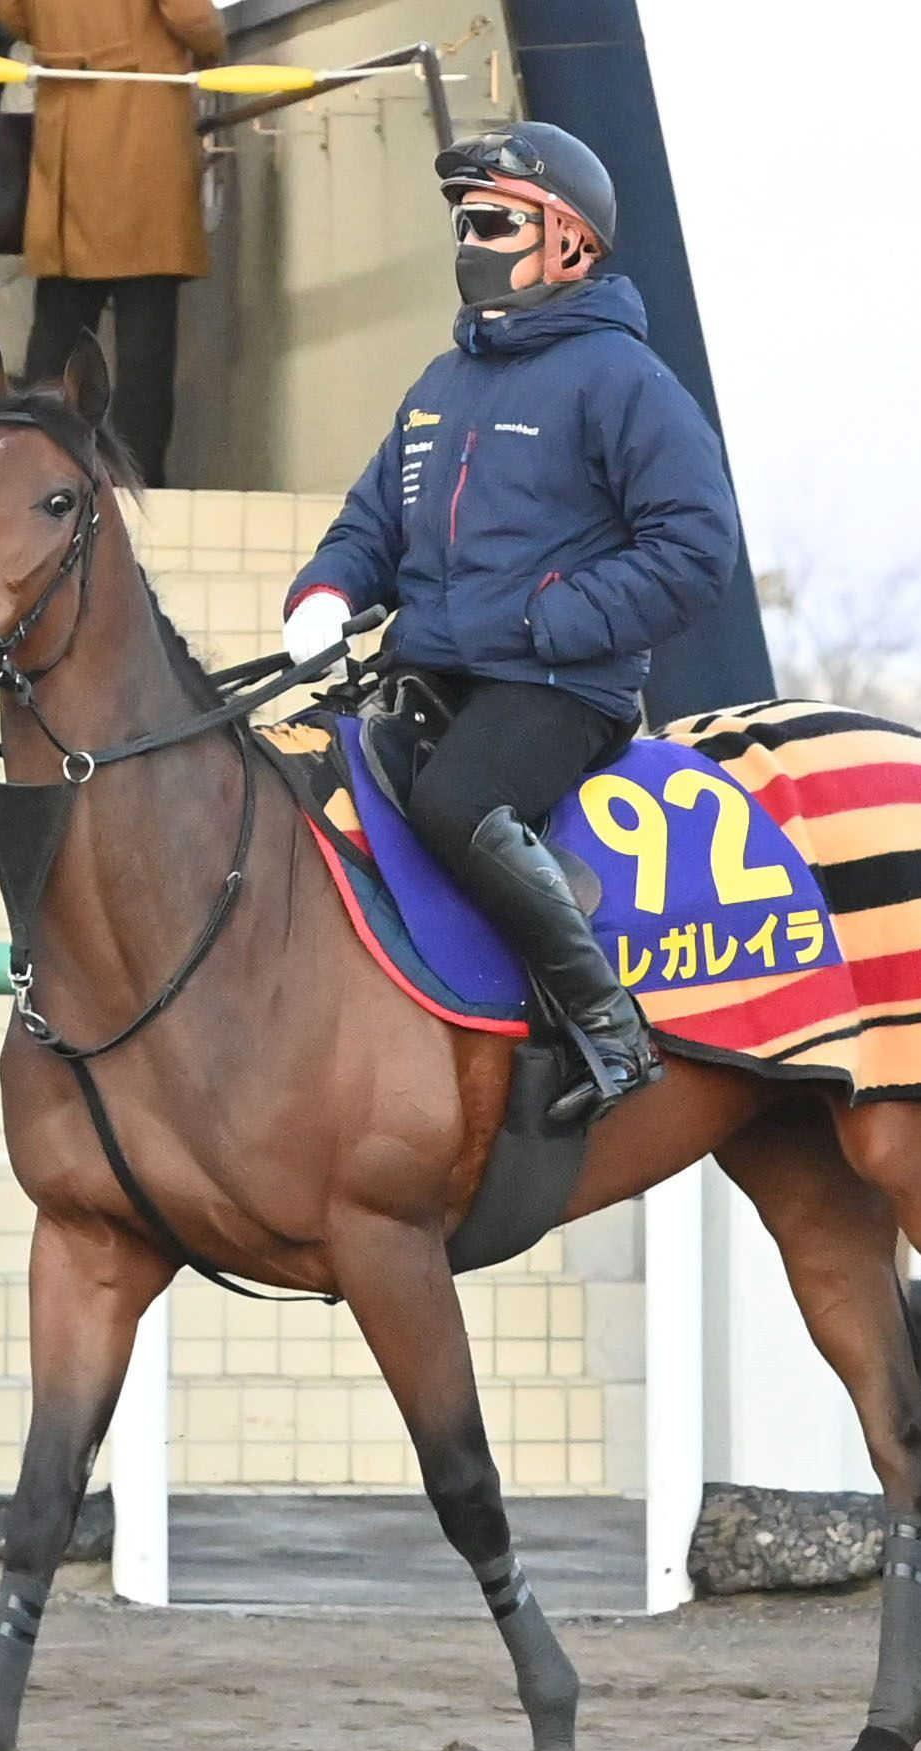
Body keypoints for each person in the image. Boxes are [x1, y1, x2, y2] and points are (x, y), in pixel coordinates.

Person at [282, 123, 740, 1123]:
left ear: (568, 241)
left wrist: (554, 619)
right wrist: (324, 592)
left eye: (491, 221)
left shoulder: (625, 382)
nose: (468, 243)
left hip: (558, 686)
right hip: (439, 672)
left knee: (456, 803)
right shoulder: (438, 388)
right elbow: (371, 525)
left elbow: (697, 546)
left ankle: (608, 1027)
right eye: (462, 222)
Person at [0, 0, 226, 487]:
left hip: (65, 121)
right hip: (140, 119)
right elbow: (191, 17)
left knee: (57, 326)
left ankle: (35, 469)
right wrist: (213, 47)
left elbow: (12, 14)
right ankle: (137, 485)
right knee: (146, 336)